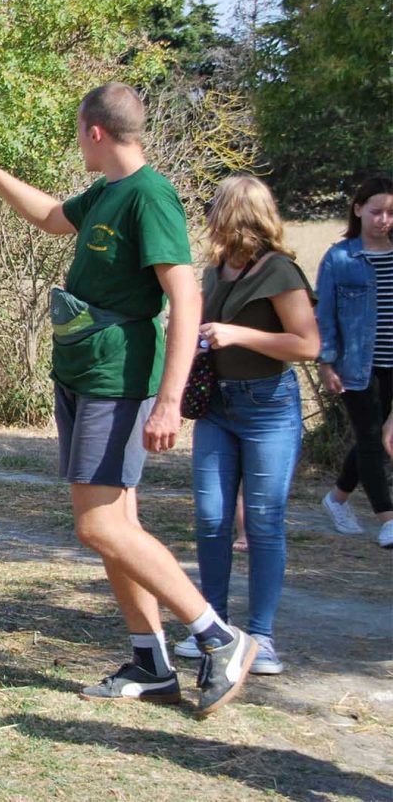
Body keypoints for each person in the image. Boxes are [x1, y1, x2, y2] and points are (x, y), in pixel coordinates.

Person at [0, 83, 258, 717]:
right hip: (84, 372)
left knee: (98, 526)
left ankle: (218, 636)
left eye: (77, 129)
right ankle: (151, 660)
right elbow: (49, 216)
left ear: (94, 131)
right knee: (120, 528)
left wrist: (171, 400)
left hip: (117, 379)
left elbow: (185, 298)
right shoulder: (108, 192)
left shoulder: (150, 196)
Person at [167, 177, 319, 676]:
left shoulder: (278, 271)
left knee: (263, 521)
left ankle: (263, 637)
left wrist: (237, 335)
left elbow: (307, 345)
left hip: (268, 407)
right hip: (217, 407)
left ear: (236, 214)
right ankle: (214, 628)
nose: (208, 217)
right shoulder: (216, 270)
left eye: (215, 209)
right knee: (211, 518)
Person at [314, 176, 393, 549]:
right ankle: (387, 518)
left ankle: (338, 498)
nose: (384, 219)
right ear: (358, 209)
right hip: (357, 366)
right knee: (370, 437)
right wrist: (326, 363)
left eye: (391, 213)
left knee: (375, 438)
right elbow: (325, 316)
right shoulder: (340, 258)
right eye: (376, 211)